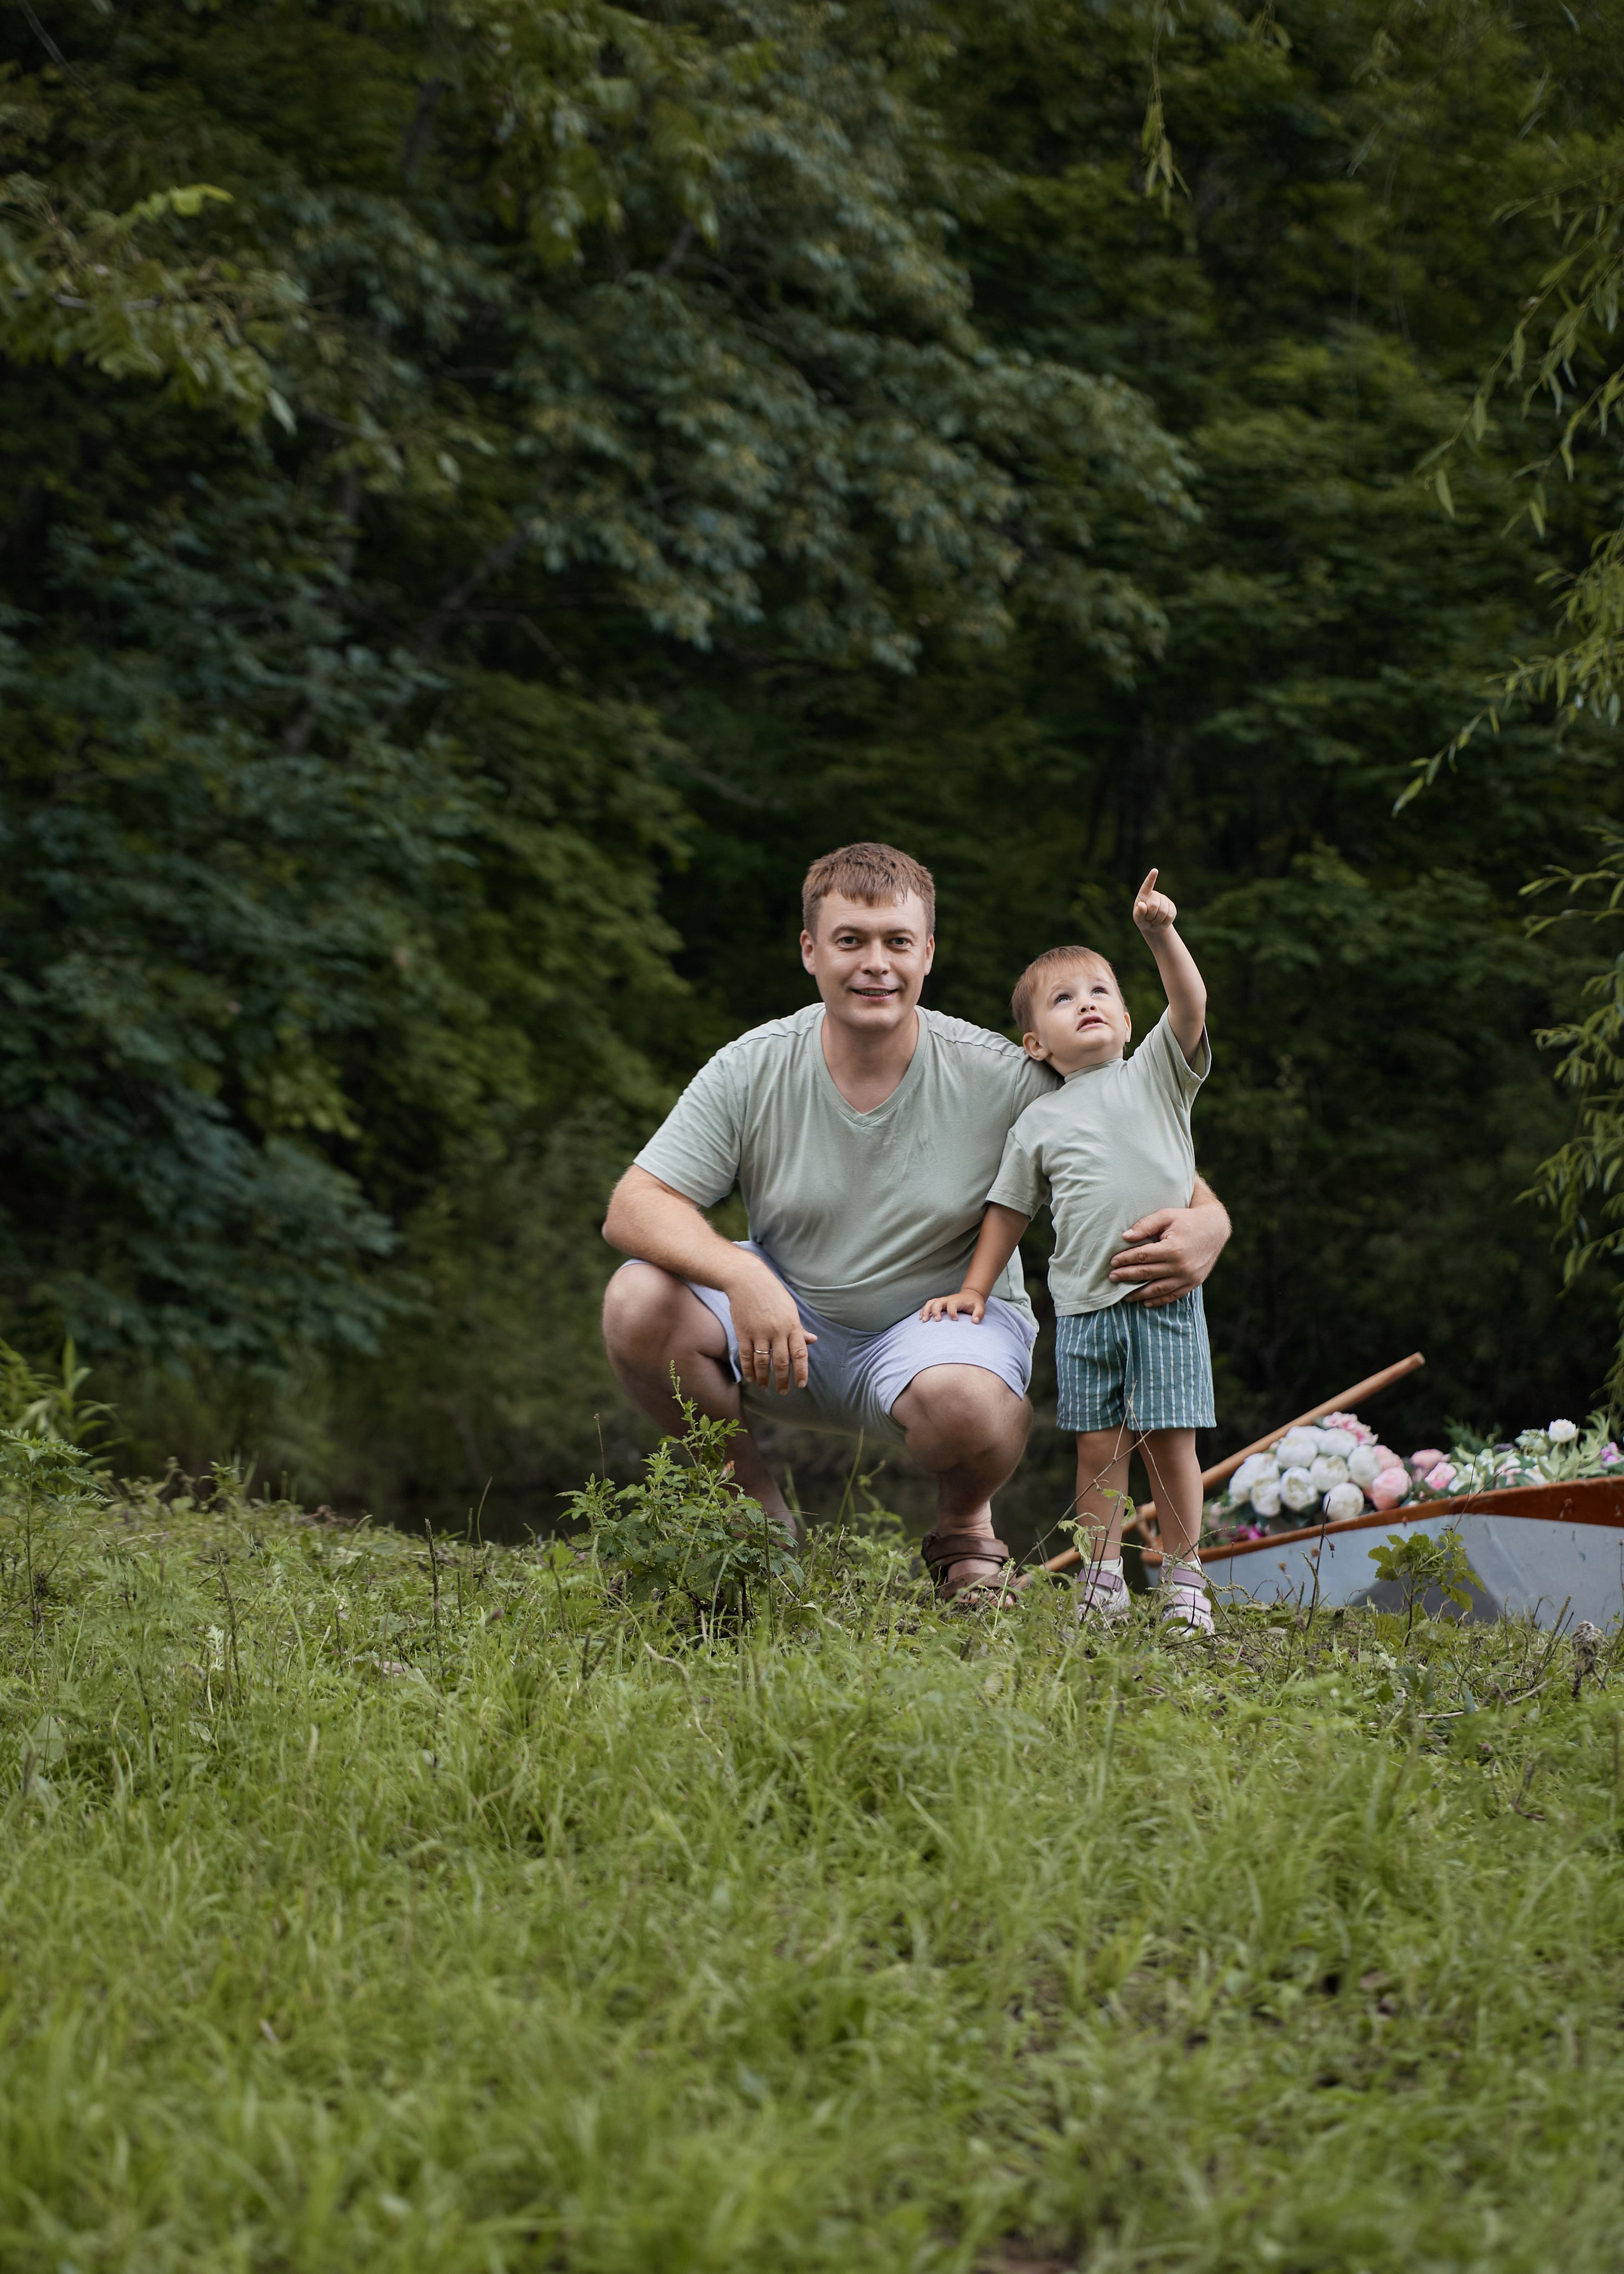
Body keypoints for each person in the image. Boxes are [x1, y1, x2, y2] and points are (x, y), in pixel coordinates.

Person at [600, 843, 1230, 1600]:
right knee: (637, 1300)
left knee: (965, 1404)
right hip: (788, 1324)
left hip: (940, 1337)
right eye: (850, 940)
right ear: (810, 950)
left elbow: (1127, 1145)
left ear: (927, 952)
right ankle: (753, 1522)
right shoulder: (753, 1065)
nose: (876, 964)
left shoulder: (1000, 1073)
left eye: (897, 941)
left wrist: (1211, 1221)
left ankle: (965, 1530)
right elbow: (634, 1203)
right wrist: (739, 1273)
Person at [920, 868, 1216, 1634]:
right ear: (1035, 1043)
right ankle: (1102, 1579)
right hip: (1084, 1308)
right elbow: (1008, 1211)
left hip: (1162, 1298)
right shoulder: (1038, 1122)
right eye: (1063, 999)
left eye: (1099, 992)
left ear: (1124, 1015)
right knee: (1097, 1449)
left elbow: (1189, 1003)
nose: (1085, 1002)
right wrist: (975, 1289)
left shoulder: (1155, 1074)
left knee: (1170, 1445)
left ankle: (1185, 1580)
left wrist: (1159, 932)